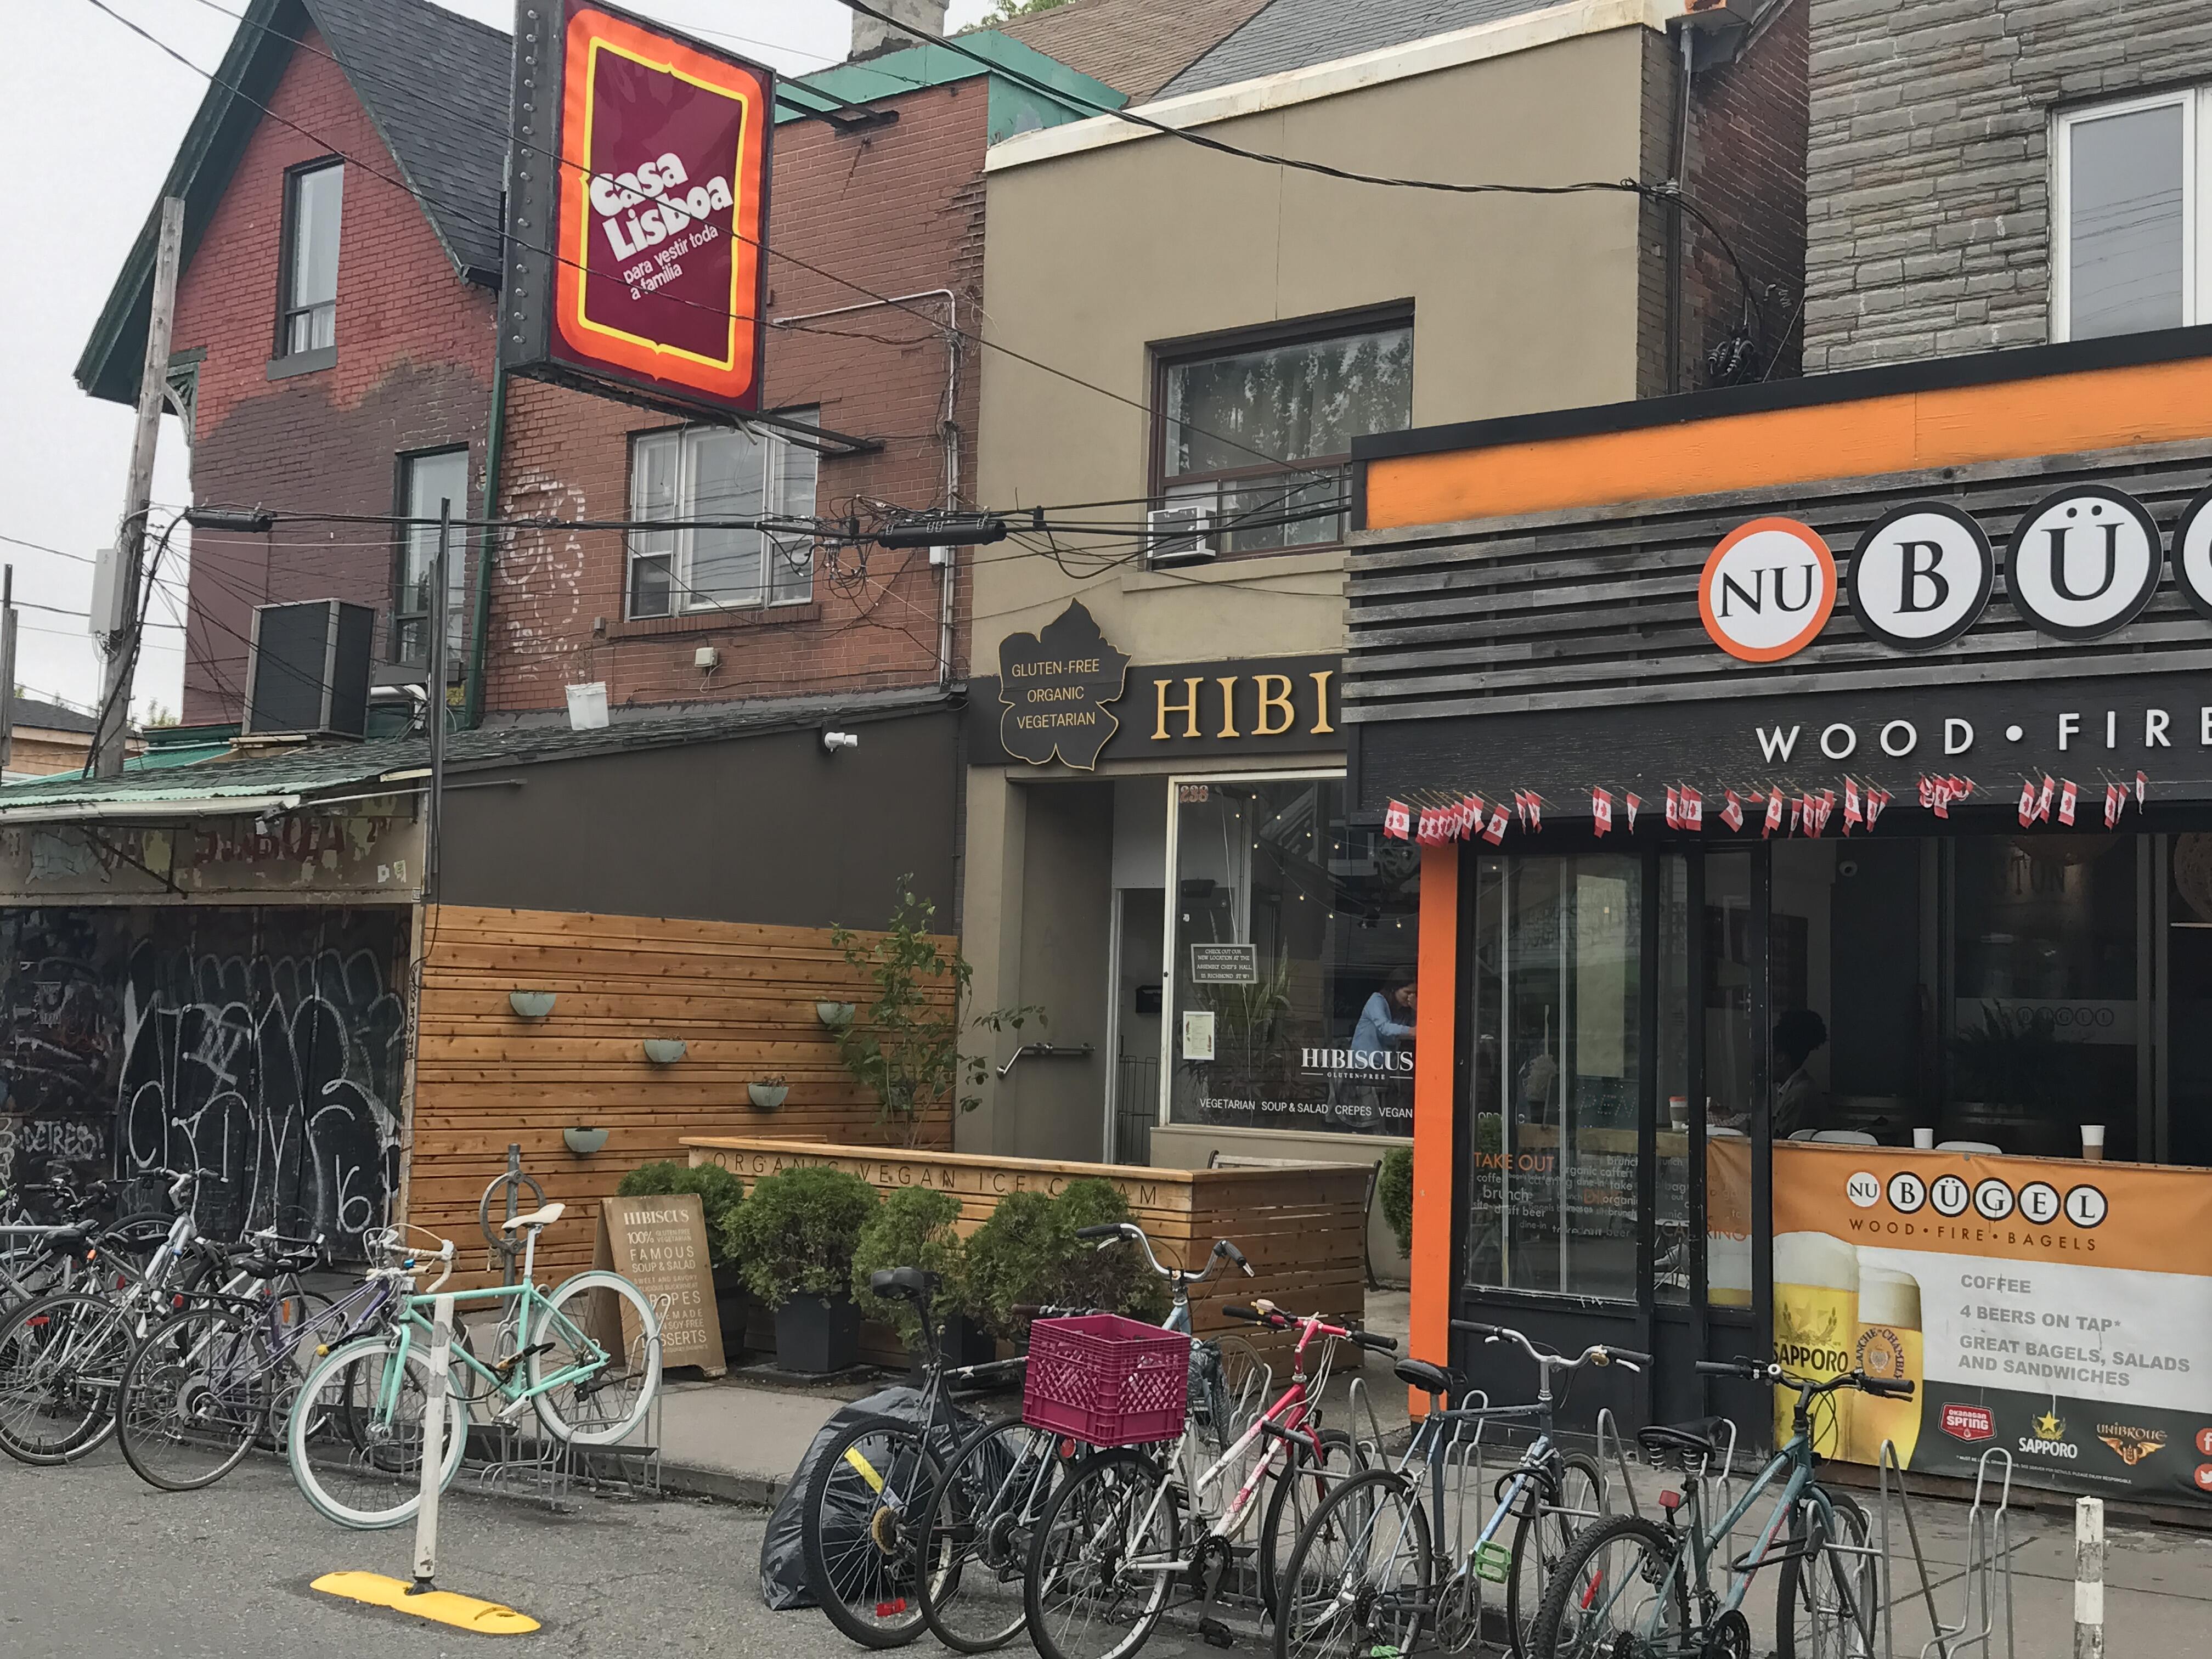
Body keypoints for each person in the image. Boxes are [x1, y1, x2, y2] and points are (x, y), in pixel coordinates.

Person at [1772, 1009, 1830, 1139]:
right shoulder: (1793, 1089)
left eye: (1766, 1053)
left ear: (1781, 1057)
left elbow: (1781, 1143)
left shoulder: (1799, 1096)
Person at [1353, 969, 1416, 1059]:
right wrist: (1412, 1031)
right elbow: (1384, 1027)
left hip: (1386, 1063)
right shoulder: (1377, 1000)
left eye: (1415, 993)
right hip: (1364, 1062)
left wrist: (1416, 1008)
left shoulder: (1404, 1012)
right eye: (1408, 992)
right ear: (1393, 989)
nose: (1412, 997)